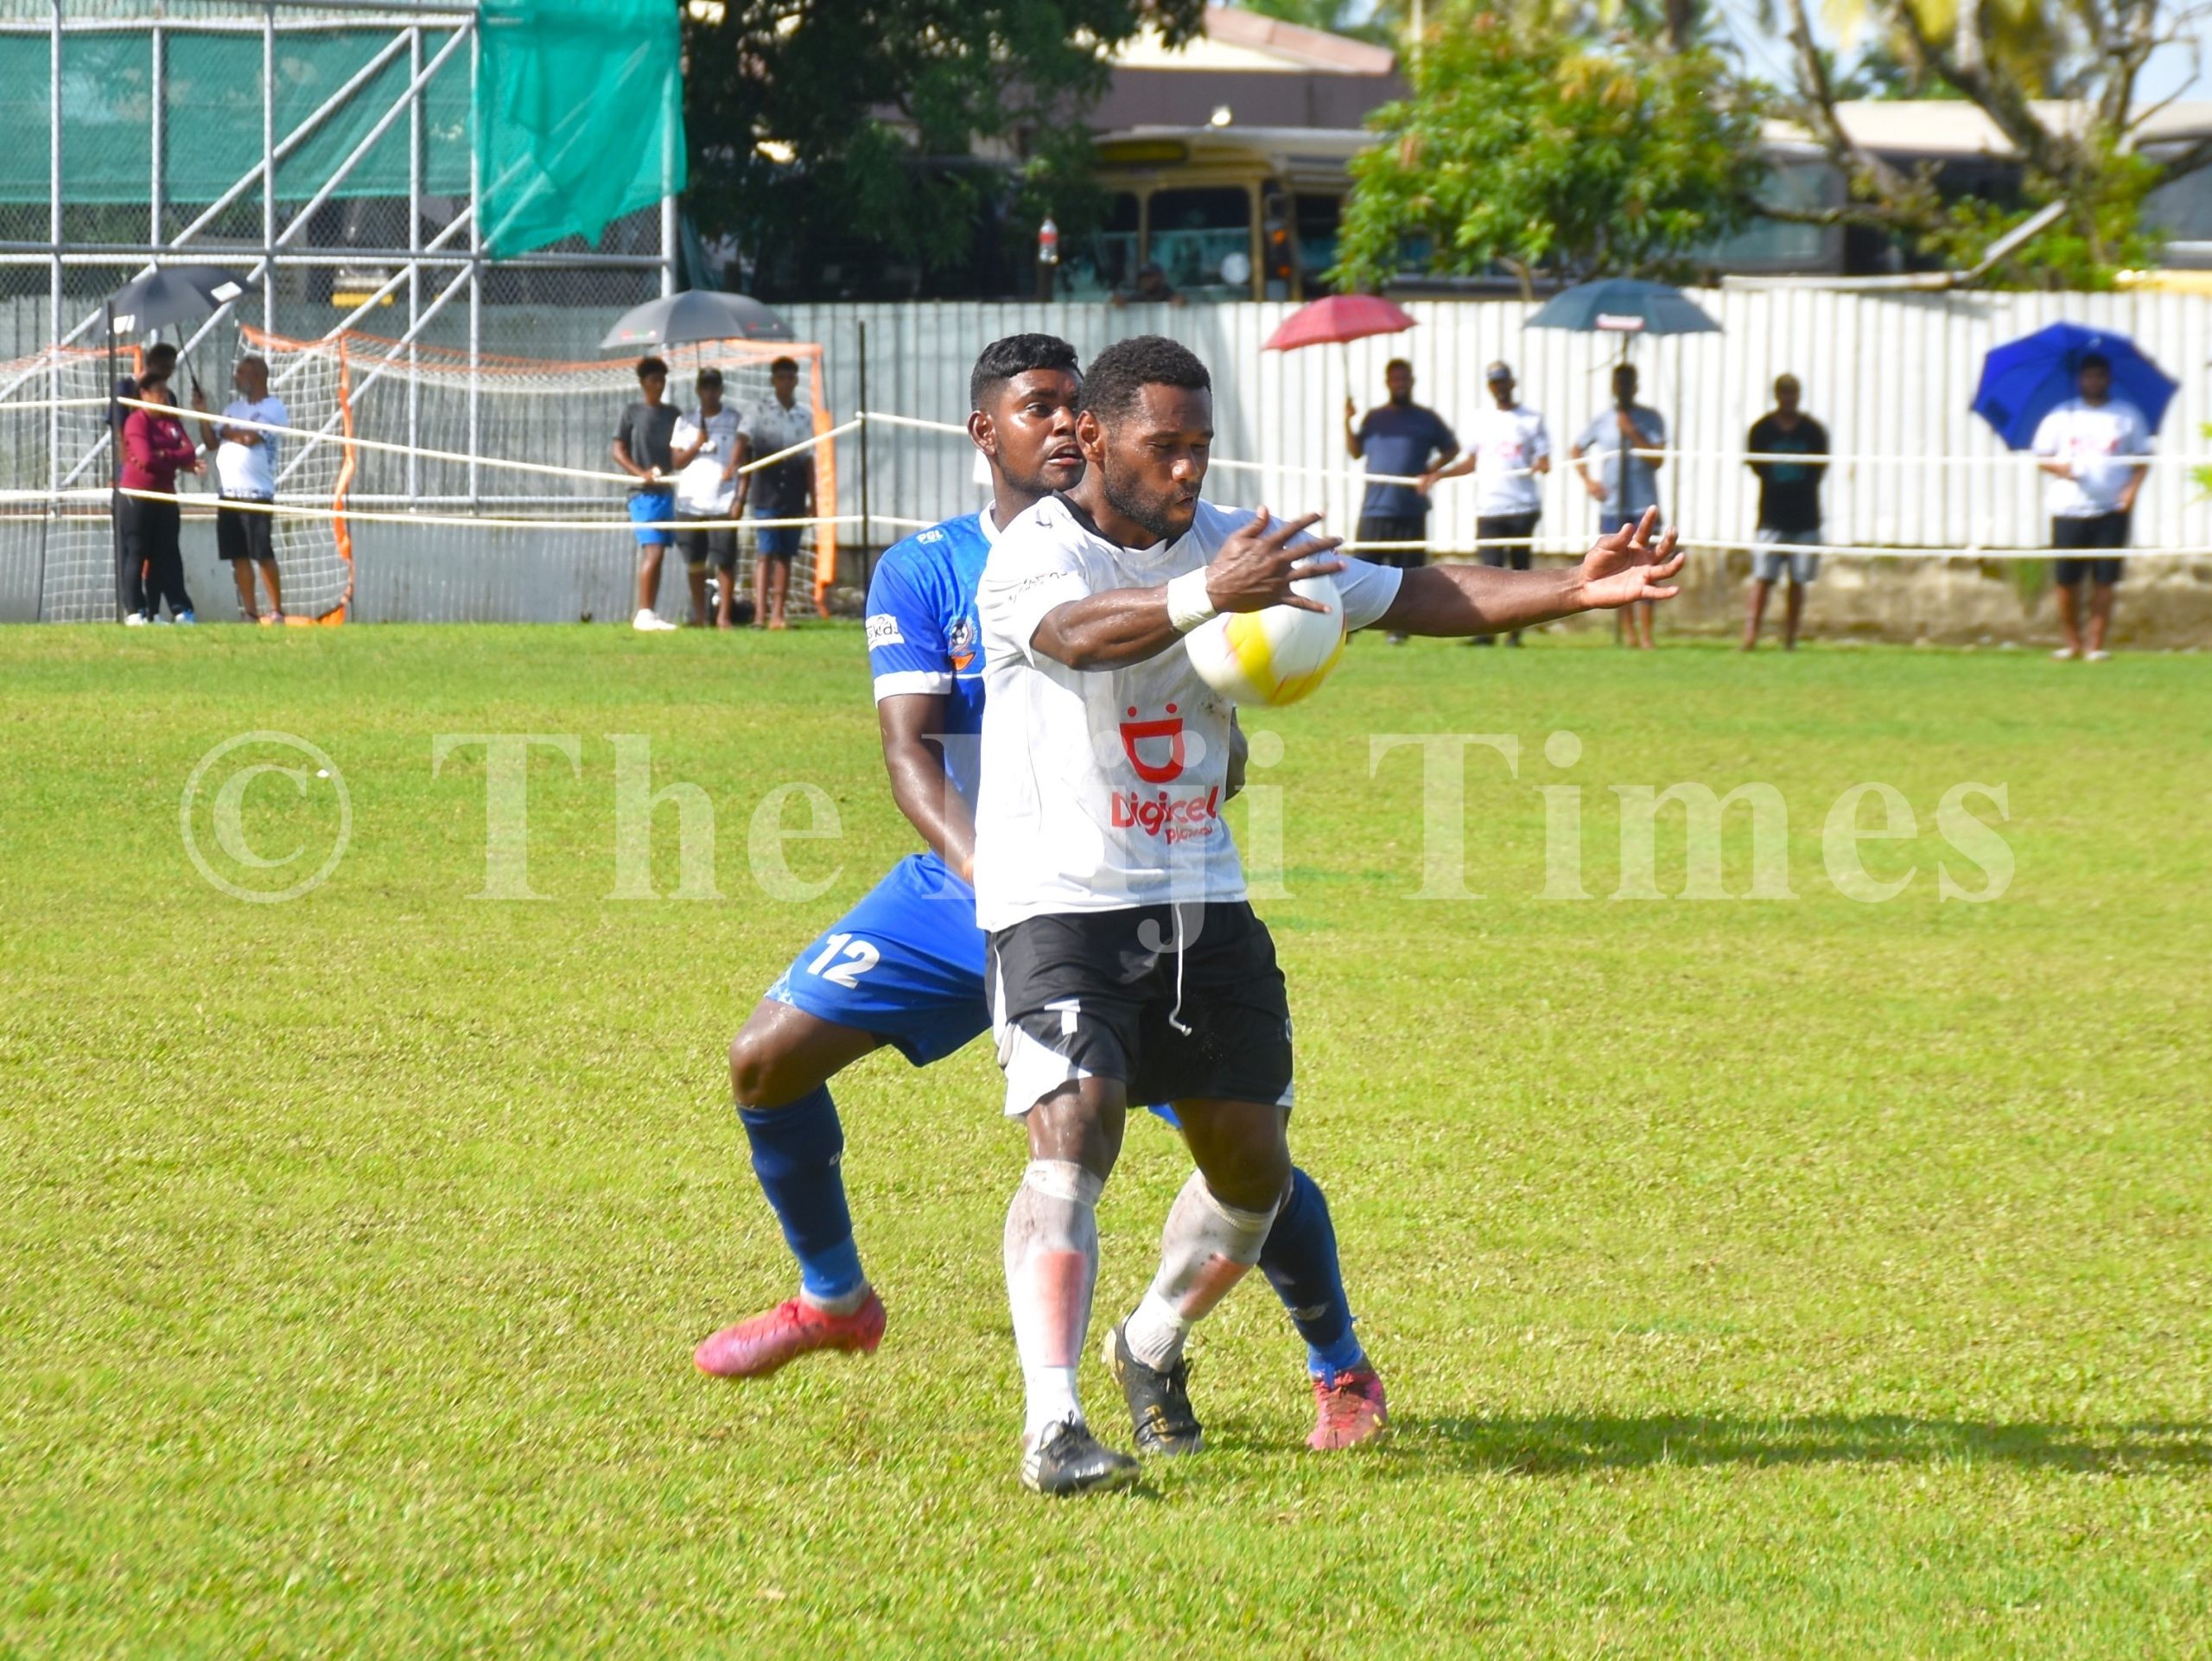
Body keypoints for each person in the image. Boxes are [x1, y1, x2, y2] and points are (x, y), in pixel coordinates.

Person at [975, 334, 1682, 1493]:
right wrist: (1212, 592)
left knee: (1252, 1169)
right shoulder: (1034, 550)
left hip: (1202, 895)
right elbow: (1076, 636)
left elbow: (1406, 592)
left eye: (1202, 445)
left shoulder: (1236, 541)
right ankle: (1052, 1425)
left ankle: (1149, 1338)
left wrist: (1571, 586)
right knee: (1076, 1125)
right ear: (1094, 437)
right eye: (1165, 445)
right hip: (1058, 898)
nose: (1189, 468)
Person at [695, 335, 1389, 1460]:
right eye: (1042, 407)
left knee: (1237, 1138)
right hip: (971, 877)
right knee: (765, 1059)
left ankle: (1335, 1358)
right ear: (987, 431)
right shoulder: (930, 567)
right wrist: (992, 879)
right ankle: (834, 1298)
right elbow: (911, 755)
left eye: (1078, 406)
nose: (1065, 424)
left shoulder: (1154, 543)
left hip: (1112, 885)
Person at [1420, 360, 1549, 646]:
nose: (1500, 387)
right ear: (1490, 387)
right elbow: (1471, 462)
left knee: (1521, 575)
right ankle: (1486, 632)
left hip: (1522, 506)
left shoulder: (1531, 419)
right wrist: (1441, 474)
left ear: (1512, 383)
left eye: (1503, 381)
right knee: (1489, 574)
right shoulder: (1480, 419)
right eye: (1494, 382)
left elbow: (1544, 459)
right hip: (1490, 506)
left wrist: (1541, 464)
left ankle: (1515, 633)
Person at [2033, 352, 2150, 662]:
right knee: (2067, 579)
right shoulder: (2061, 415)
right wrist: (2062, 469)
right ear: (2079, 379)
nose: (2094, 381)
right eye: (2088, 376)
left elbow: (2143, 459)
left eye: (2099, 375)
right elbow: (2041, 457)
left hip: (2111, 509)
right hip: (2069, 509)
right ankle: (2072, 643)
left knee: (2105, 579)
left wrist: (2131, 492)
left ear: (2108, 379)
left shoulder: (2126, 415)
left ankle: (2095, 645)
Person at [1345, 359, 1458, 643]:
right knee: (1363, 570)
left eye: (1404, 379)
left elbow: (1452, 448)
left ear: (1412, 381)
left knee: (1408, 573)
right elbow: (1356, 451)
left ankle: (1400, 630)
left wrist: (1432, 471)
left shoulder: (1426, 419)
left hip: (1410, 508)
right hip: (1375, 507)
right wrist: (1347, 420)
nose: (1400, 384)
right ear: (1388, 383)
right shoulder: (1374, 419)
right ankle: (1351, 626)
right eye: (1395, 379)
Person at [1570, 363, 1668, 650]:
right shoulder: (1602, 420)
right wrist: (1589, 481)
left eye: (1628, 383)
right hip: (1614, 506)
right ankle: (1628, 633)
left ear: (1635, 386)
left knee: (1647, 565)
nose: (1623, 389)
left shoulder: (1650, 419)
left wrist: (1632, 432)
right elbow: (1576, 448)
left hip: (1642, 504)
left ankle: (1647, 634)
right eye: (1619, 384)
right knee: (1618, 568)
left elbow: (1657, 459)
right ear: (1614, 387)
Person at [193, 353, 289, 625]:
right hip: (229, 493)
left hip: (256, 493)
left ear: (257, 376)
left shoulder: (274, 408)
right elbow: (211, 442)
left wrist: (227, 432)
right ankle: (250, 612)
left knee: (262, 553)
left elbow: (250, 438)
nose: (236, 377)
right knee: (238, 555)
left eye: (242, 373)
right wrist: (202, 412)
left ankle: (276, 611)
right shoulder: (232, 409)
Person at [1741, 375, 1831, 652]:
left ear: (1798, 395)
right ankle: (1750, 638)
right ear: (1777, 395)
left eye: (1793, 392)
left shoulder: (1813, 431)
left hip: (1805, 518)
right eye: (1784, 392)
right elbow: (1756, 466)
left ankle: (1790, 639)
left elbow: (1819, 469)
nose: (1789, 397)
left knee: (1798, 581)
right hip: (1771, 518)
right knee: (1763, 579)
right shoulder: (1762, 430)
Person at [118, 344, 200, 626]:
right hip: (138, 494)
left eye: (166, 392)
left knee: (162, 554)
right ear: (144, 395)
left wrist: (165, 456)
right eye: (159, 393)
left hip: (165, 494)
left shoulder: (170, 421)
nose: (165, 398)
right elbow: (144, 458)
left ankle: (153, 612)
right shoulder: (136, 421)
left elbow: (189, 451)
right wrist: (171, 459)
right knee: (136, 551)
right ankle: (134, 610)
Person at [734, 356, 817, 631]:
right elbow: (743, 441)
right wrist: (734, 471)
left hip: (794, 490)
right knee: (765, 552)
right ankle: (760, 614)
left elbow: (808, 458)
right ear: (773, 380)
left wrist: (814, 498)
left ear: (796, 380)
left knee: (786, 554)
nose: (786, 382)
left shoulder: (804, 415)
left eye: (790, 377)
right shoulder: (758, 410)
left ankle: (778, 615)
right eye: (781, 377)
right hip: (765, 490)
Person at [670, 367, 745, 628]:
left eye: (714, 387)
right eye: (705, 387)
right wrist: (696, 443)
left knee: (725, 560)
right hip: (690, 501)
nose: (710, 392)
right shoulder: (685, 421)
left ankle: (724, 616)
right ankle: (700, 615)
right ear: (698, 390)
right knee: (695, 561)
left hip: (722, 501)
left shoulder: (734, 420)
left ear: (721, 390)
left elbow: (745, 461)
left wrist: (739, 499)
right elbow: (677, 462)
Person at [613, 355, 681, 633]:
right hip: (642, 493)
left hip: (666, 491)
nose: (659, 385)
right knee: (653, 549)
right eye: (654, 380)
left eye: (663, 379)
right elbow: (618, 450)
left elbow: (679, 451)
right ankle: (643, 614)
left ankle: (650, 612)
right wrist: (641, 473)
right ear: (643, 383)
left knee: (660, 551)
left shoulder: (673, 414)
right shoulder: (632, 412)